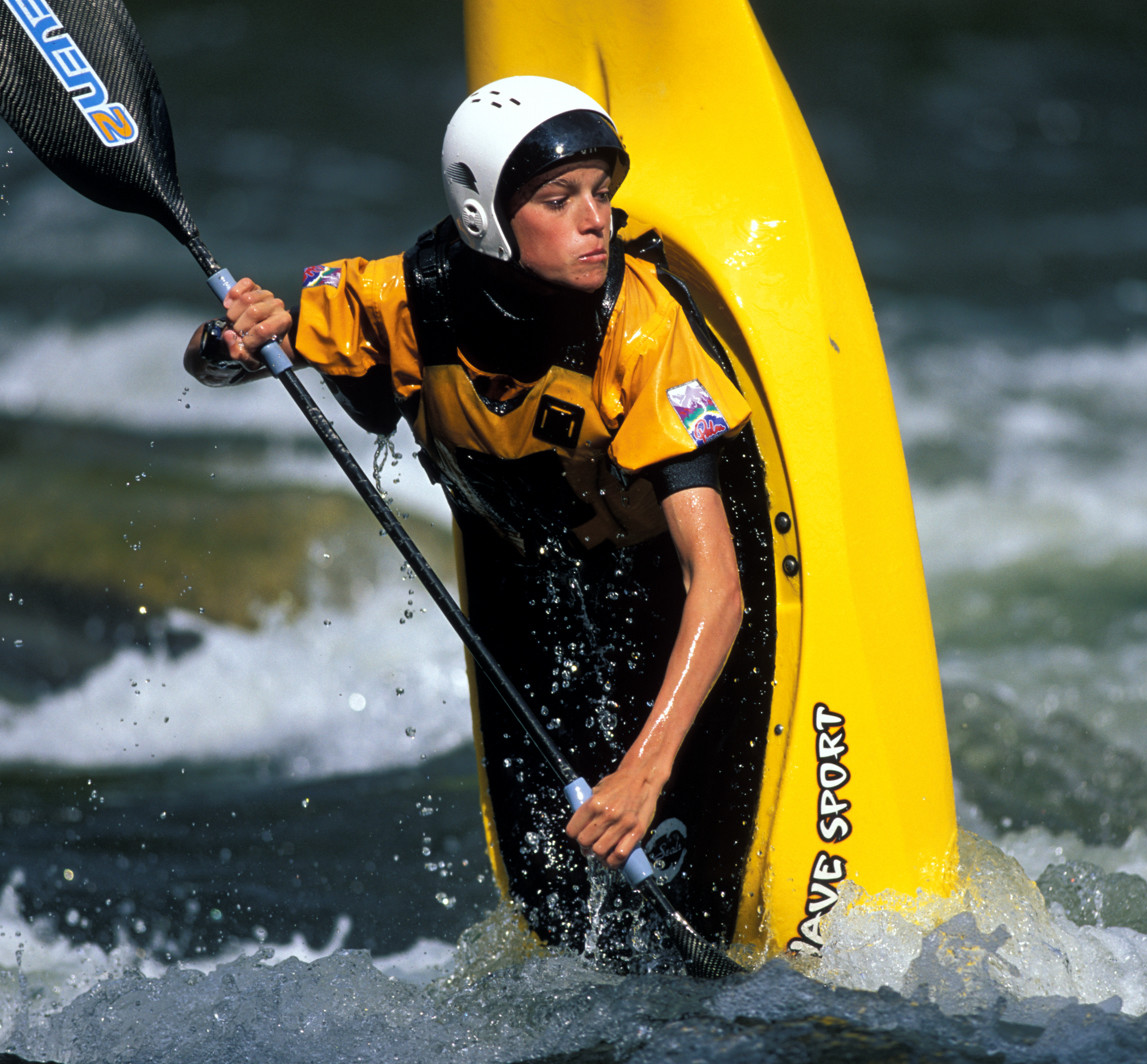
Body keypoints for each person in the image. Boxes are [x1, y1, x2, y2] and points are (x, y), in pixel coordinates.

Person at [184, 76, 770, 961]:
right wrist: (233, 340)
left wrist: (644, 771)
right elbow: (218, 360)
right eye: (558, 198)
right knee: (556, 912)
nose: (595, 220)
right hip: (515, 581)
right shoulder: (393, 298)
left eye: (602, 195)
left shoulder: (645, 333)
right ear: (484, 216)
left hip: (656, 584)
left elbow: (716, 582)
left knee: (685, 881)